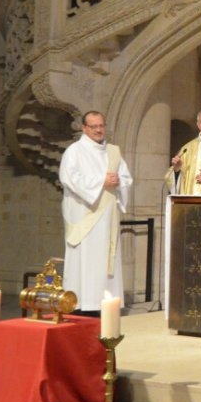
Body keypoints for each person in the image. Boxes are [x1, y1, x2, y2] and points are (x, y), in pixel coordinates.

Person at [59, 111, 133, 311]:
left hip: (108, 217)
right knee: (86, 259)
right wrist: (101, 182)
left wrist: (118, 182)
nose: (99, 130)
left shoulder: (113, 152)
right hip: (86, 216)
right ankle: (82, 303)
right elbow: (69, 178)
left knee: (106, 258)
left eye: (101, 125)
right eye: (94, 126)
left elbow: (126, 178)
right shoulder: (75, 151)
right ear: (84, 128)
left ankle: (105, 302)